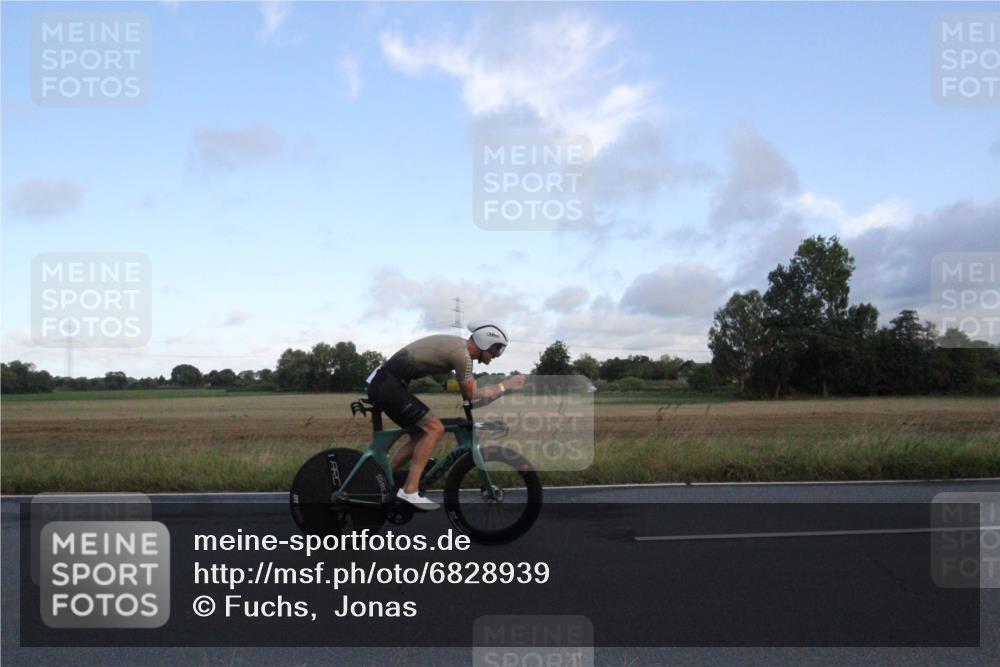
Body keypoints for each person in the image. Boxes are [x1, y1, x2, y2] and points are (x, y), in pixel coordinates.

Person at [366, 320, 526, 511]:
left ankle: (382, 481)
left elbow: (472, 397)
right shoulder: (462, 355)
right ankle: (409, 490)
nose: (496, 355)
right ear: (485, 341)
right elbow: (473, 394)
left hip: (386, 383)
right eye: (496, 349)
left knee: (420, 435)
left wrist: (504, 389)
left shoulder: (460, 351)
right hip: (387, 384)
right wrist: (505, 386)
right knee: (434, 428)